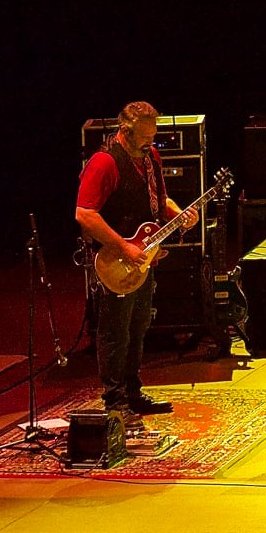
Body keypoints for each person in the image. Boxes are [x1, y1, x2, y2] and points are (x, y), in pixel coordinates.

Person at [75, 101, 197, 427]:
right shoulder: (104, 163)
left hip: (144, 259)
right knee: (115, 332)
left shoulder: (150, 157)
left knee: (138, 327)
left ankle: (132, 392)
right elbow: (84, 214)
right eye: (145, 138)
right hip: (115, 261)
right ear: (125, 132)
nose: (150, 144)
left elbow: (160, 198)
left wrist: (178, 214)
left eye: (153, 138)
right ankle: (114, 402)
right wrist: (124, 247)